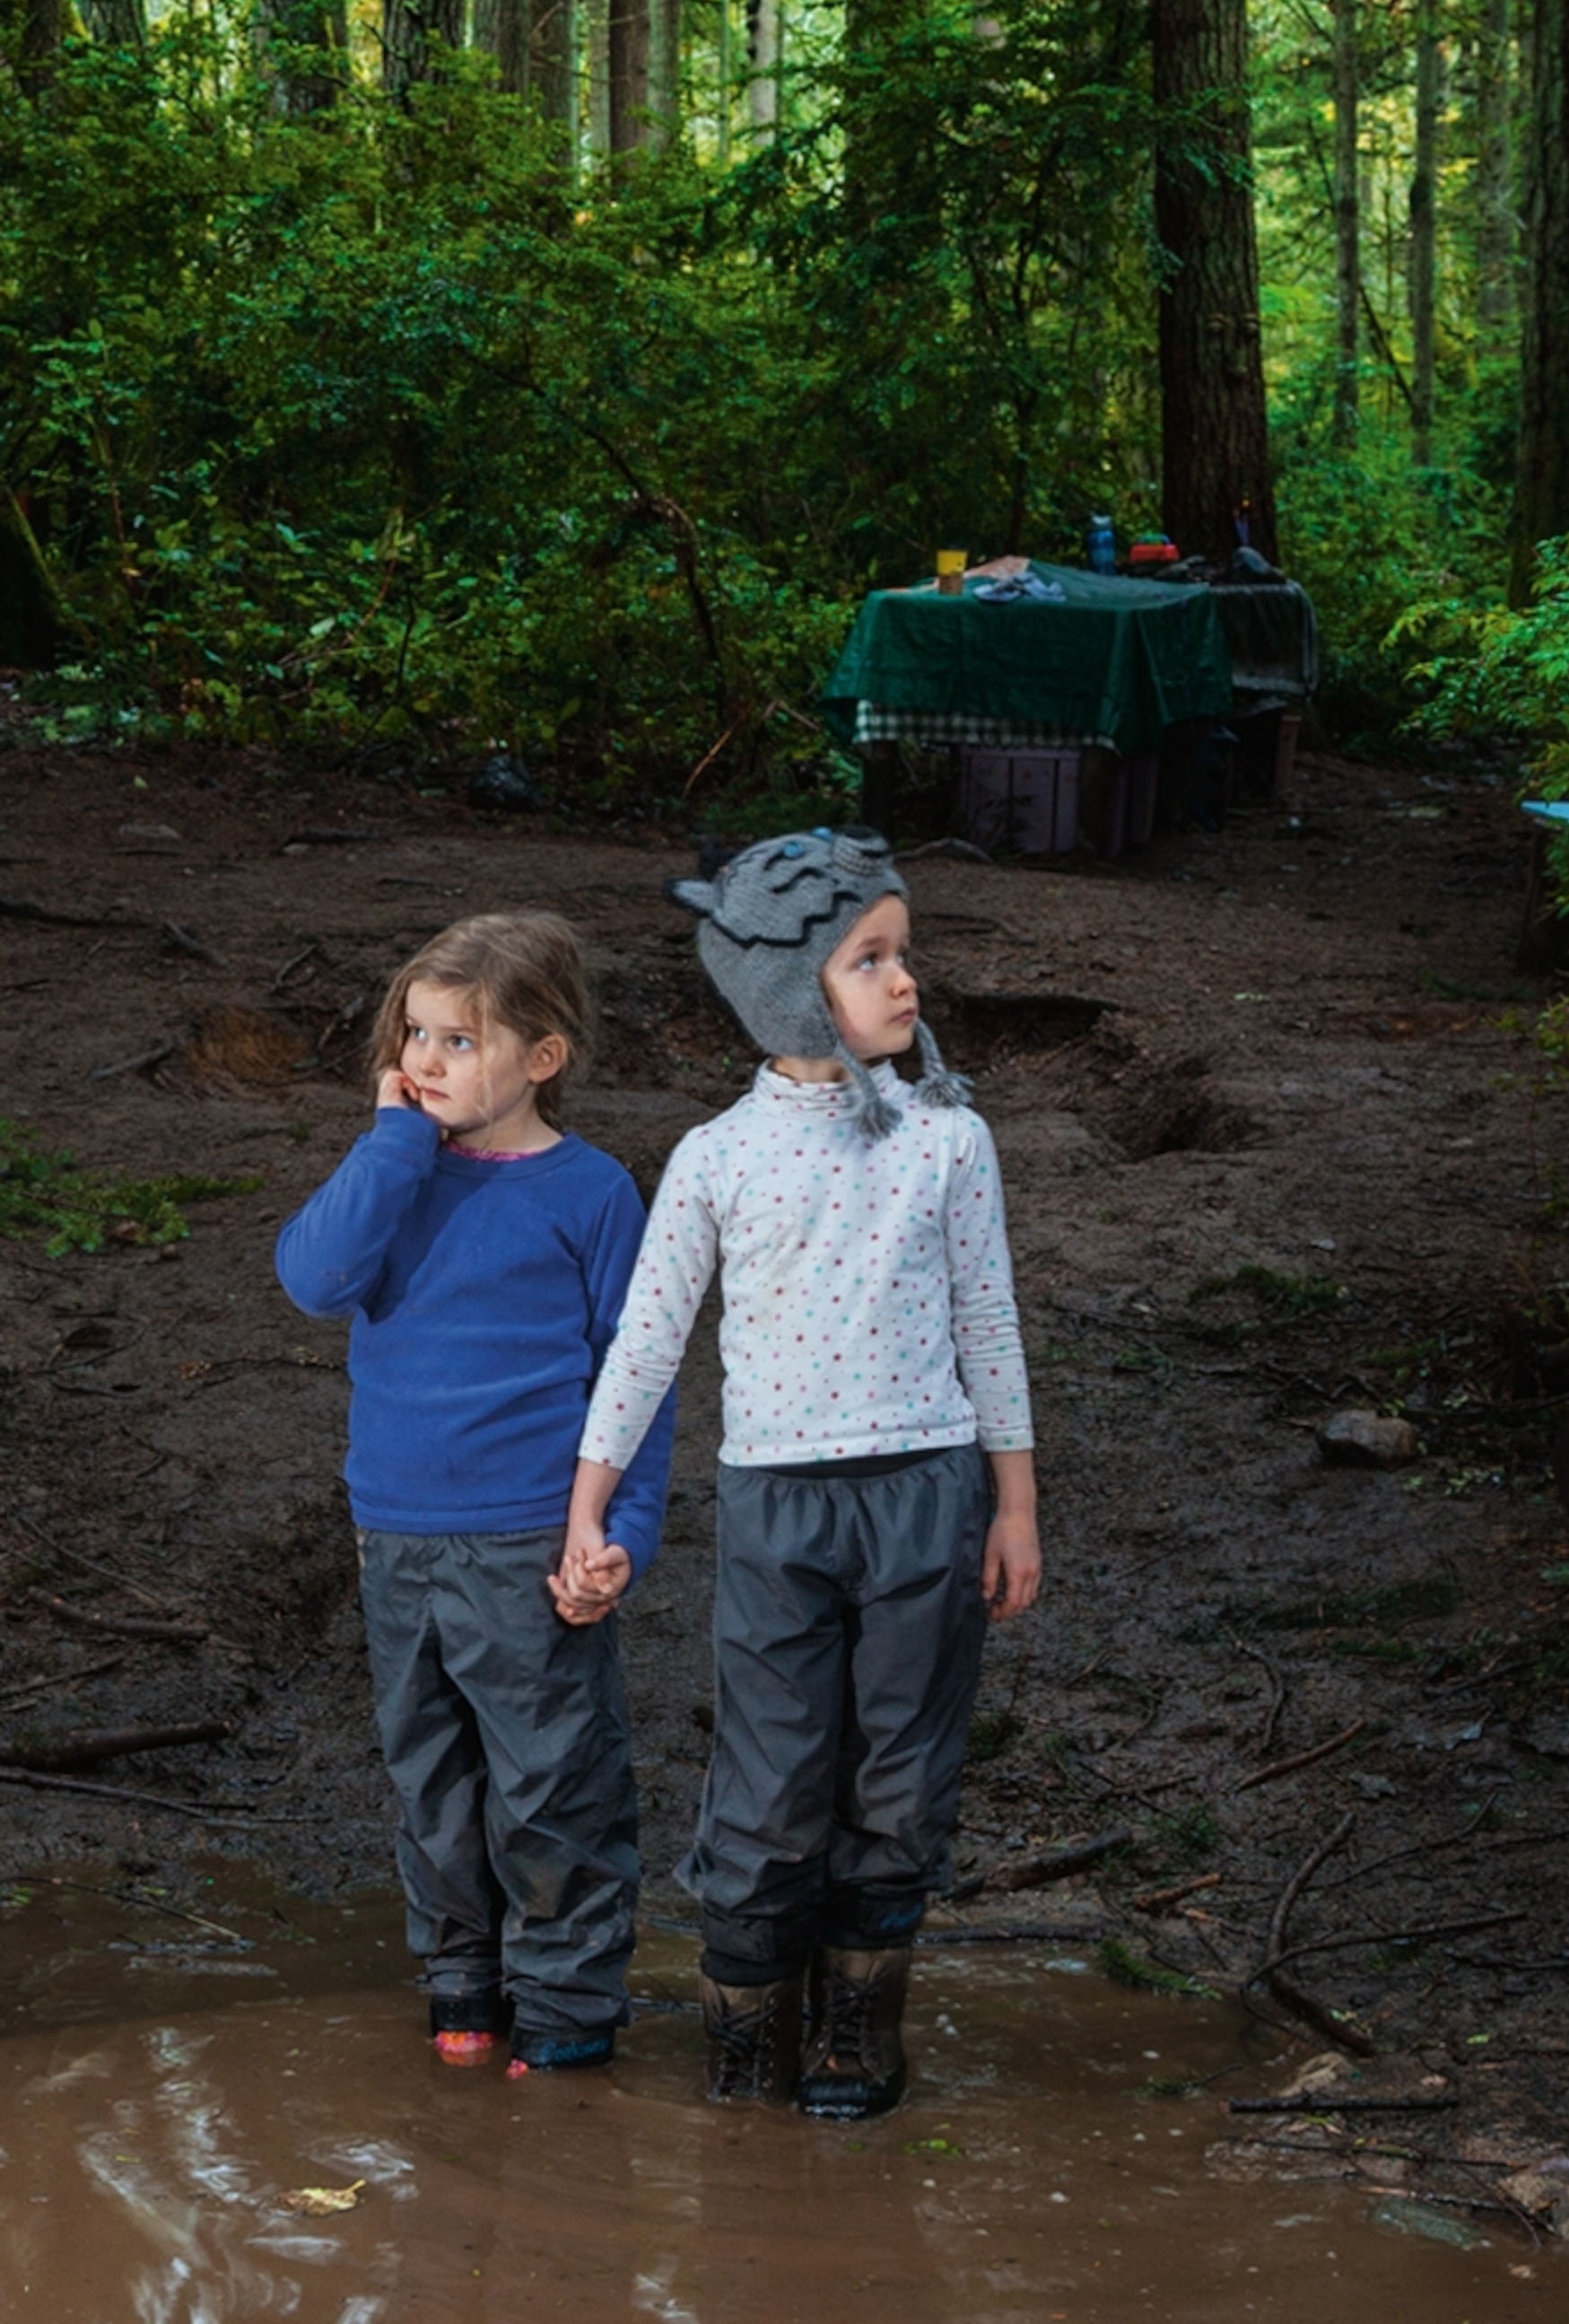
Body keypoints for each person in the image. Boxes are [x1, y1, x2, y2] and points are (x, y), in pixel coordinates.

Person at [555, 827, 1041, 2118]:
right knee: (767, 1784)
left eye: (903, 955)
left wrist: (1014, 1506)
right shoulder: (716, 1158)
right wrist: (588, 1502)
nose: (904, 983)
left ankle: (852, 2026)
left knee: (898, 1769)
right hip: (777, 1507)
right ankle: (744, 2025)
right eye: (868, 959)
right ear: (784, 988)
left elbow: (988, 1323)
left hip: (927, 1497)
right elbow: (647, 1339)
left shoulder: (949, 1139)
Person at [275, 911, 674, 2075]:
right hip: (394, 1536)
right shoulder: (393, 1177)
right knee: (430, 1773)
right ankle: (464, 1985)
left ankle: (564, 2015)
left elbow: (632, 1383)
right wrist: (392, 1144)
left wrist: (622, 1532)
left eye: (460, 1040)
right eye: (416, 1036)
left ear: (542, 1058)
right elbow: (312, 1280)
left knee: (553, 1780)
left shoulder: (592, 1193)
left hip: (530, 1543)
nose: (426, 1061)